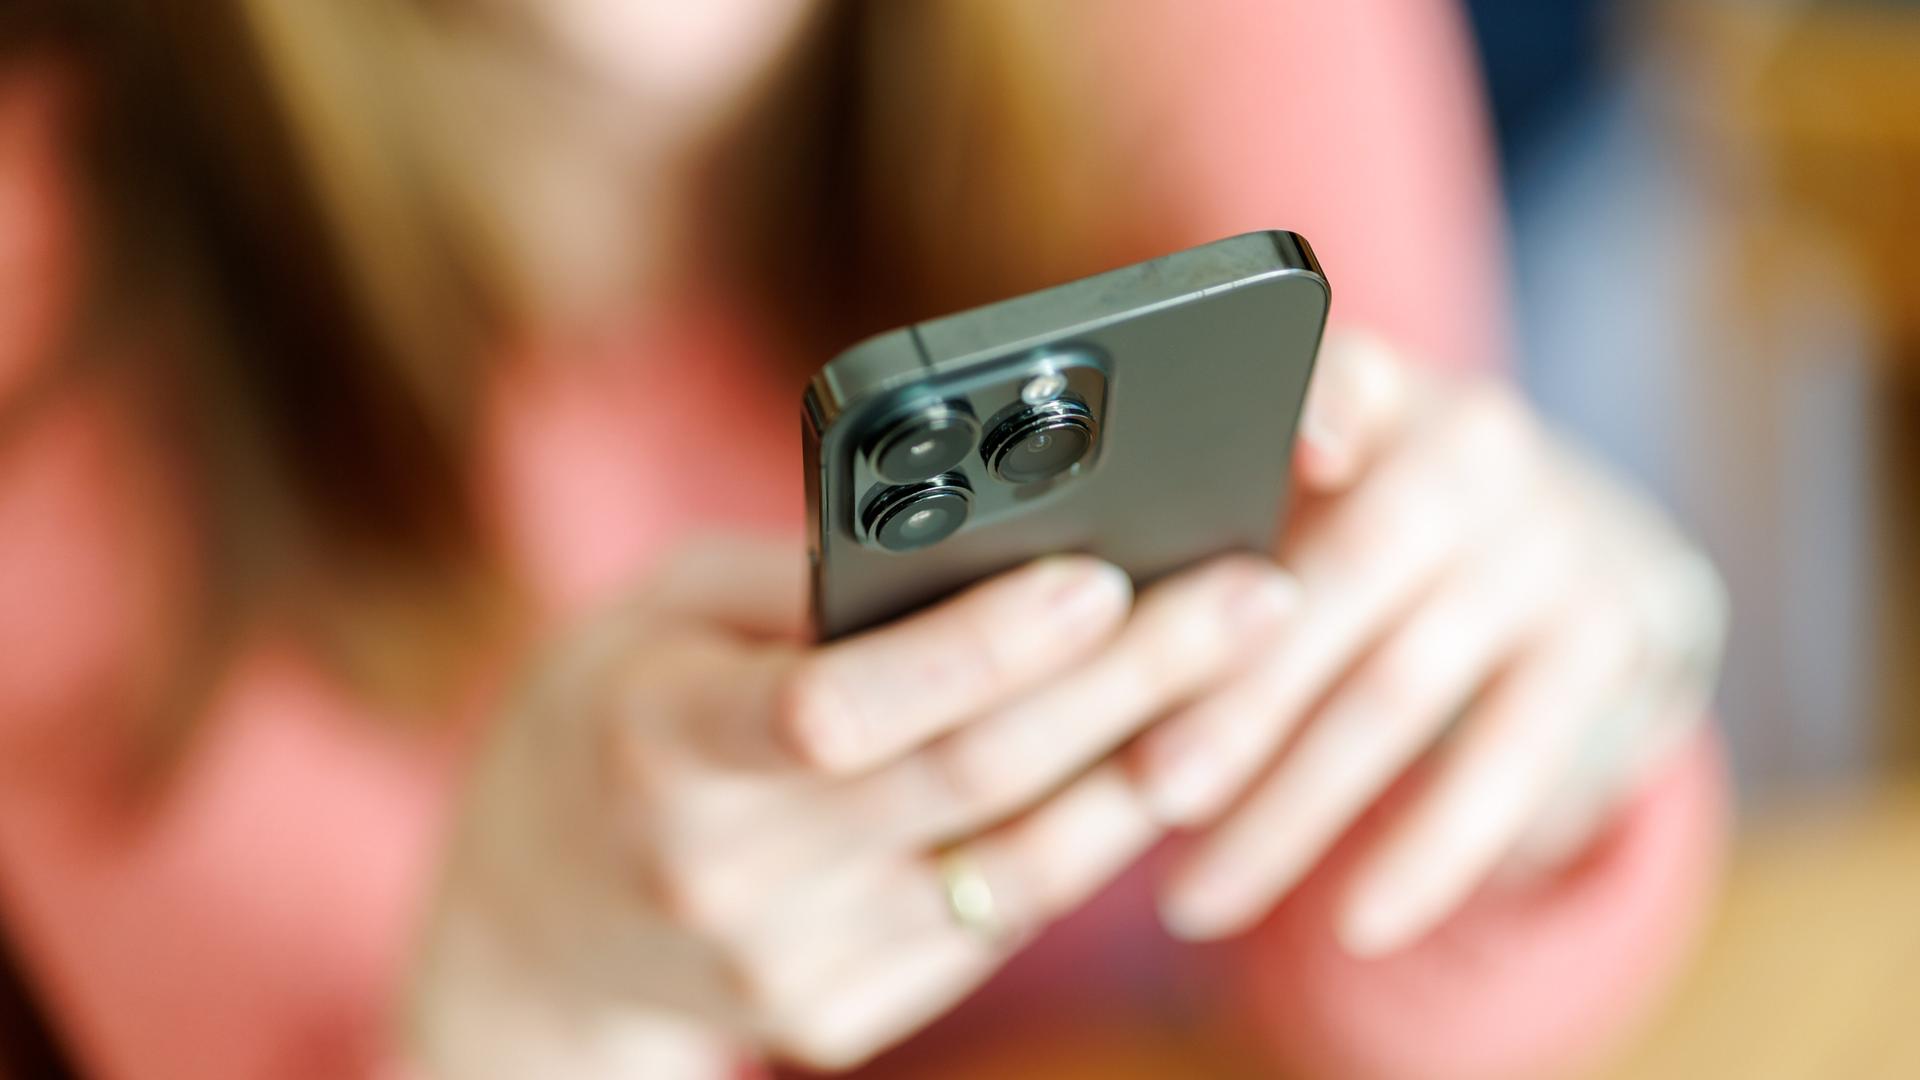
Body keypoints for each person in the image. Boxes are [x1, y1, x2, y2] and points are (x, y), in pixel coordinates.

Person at [0, 1, 1730, 1077]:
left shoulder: (1219, 25)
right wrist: (533, 1002)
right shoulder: (48, 302)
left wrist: (1533, 718)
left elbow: (1408, 987)